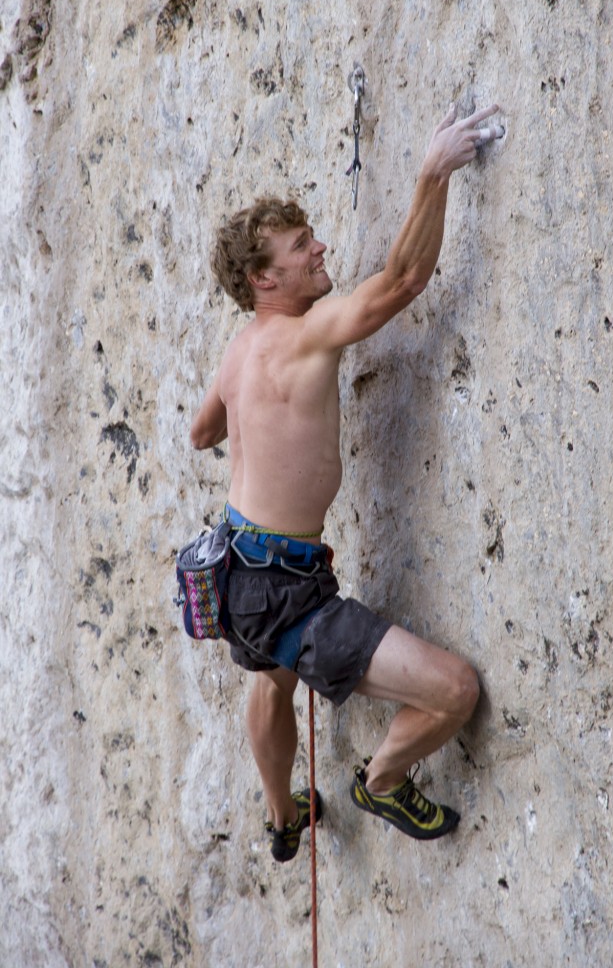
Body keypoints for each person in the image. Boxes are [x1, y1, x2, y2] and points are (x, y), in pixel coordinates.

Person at [190, 103, 500, 862]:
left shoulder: (241, 350)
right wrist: (433, 170)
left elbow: (202, 432)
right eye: (302, 247)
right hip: (285, 588)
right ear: (266, 278)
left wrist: (261, 425)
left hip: (235, 569)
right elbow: (400, 280)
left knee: (267, 677)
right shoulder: (305, 332)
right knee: (454, 691)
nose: (319, 246)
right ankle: (385, 779)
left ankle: (282, 812)